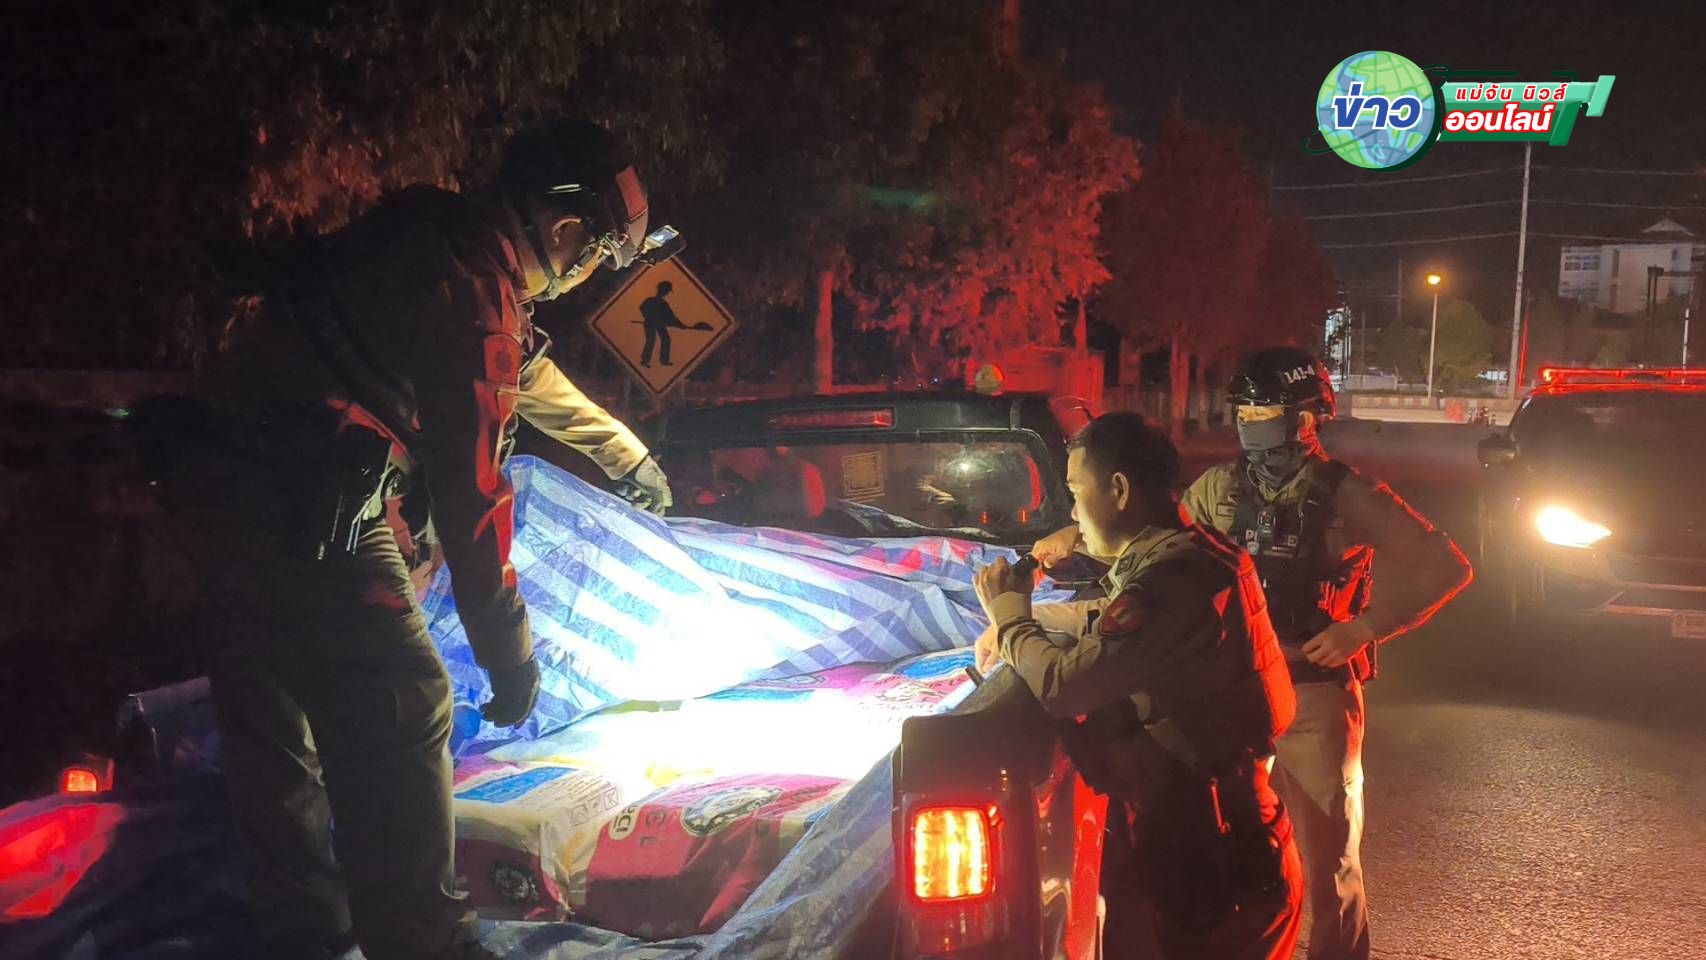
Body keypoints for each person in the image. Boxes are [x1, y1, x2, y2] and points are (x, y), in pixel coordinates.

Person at [169, 119, 672, 960]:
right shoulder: (475, 296)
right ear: (566, 229)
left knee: (274, 725)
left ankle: (307, 939)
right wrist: (508, 653)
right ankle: (426, 943)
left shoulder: (431, 230)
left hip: (218, 492)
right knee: (408, 698)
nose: (587, 276)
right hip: (310, 511)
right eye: (597, 258)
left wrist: (625, 453)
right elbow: (473, 490)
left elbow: (516, 369)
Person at [1030, 348, 1472, 960]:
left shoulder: (1348, 494)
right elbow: (1158, 532)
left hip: (1314, 690)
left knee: (1330, 862)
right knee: (1244, 854)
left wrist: (1364, 628)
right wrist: (1075, 534)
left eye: (1264, 412)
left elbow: (1444, 565)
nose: (1250, 424)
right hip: (1237, 696)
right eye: (1243, 411)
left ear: (1306, 418)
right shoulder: (1221, 487)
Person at [973, 412, 1303, 960]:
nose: (1072, 512)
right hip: (1224, 841)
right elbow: (1119, 622)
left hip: (1216, 860)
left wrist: (1010, 617)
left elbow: (1063, 685)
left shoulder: (1175, 581)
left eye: (1076, 492)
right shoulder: (1195, 552)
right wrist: (1039, 618)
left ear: (1120, 490)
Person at [639, 279, 685, 367]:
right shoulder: (659, 302)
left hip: (658, 323)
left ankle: (663, 360)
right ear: (664, 291)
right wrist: (649, 317)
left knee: (665, 339)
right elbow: (642, 308)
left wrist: (680, 325)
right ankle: (646, 360)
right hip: (650, 323)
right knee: (651, 339)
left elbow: (671, 317)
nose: (667, 293)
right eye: (667, 291)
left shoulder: (657, 302)